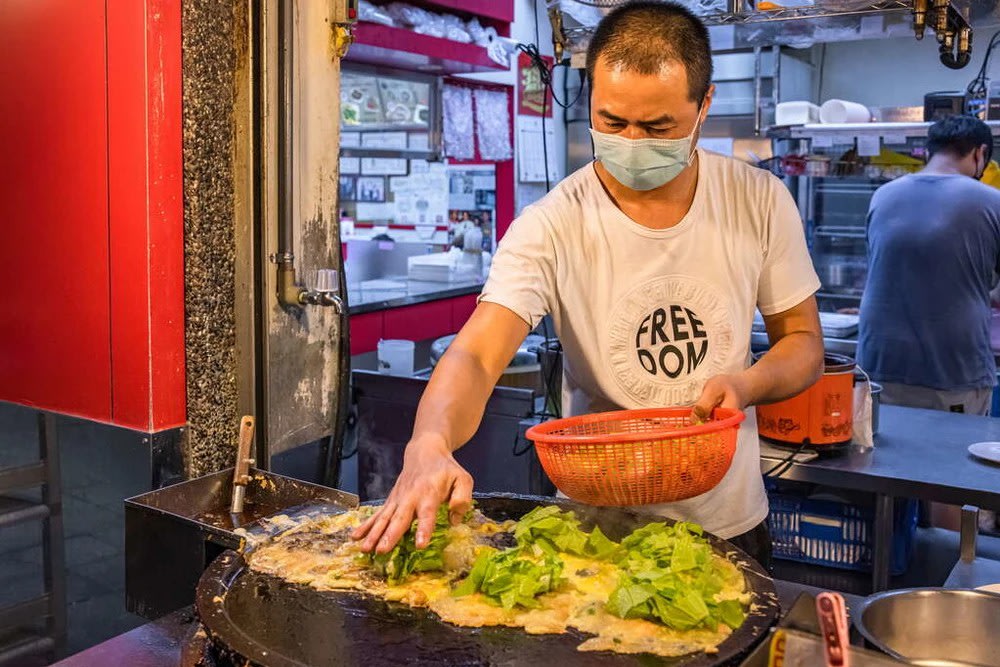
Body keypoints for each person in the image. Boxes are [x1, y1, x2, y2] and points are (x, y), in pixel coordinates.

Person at [353, 0, 824, 567]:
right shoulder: (551, 223)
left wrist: (746, 385)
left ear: (704, 106)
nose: (631, 141)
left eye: (657, 128)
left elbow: (803, 344)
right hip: (595, 530)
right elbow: (477, 355)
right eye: (612, 122)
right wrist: (428, 442)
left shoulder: (758, 200)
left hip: (725, 522)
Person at [858, 115, 1000, 417]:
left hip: (878, 366)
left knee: (878, 460)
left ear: (928, 151)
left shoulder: (883, 195)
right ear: (979, 153)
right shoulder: (991, 201)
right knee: (950, 460)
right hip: (951, 371)